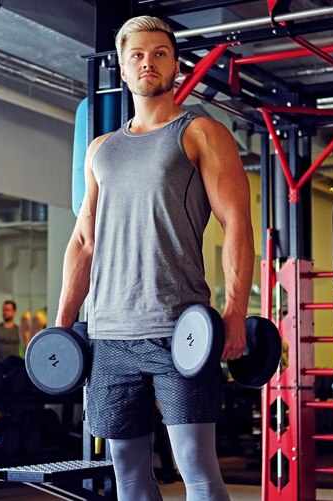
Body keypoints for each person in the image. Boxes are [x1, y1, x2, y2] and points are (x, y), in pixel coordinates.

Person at [55, 15, 254, 501]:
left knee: (195, 465)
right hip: (109, 335)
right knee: (125, 467)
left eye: (160, 53)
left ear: (175, 66)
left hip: (179, 327)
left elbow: (237, 224)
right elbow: (83, 240)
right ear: (123, 68)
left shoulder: (201, 132)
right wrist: (63, 325)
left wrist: (234, 311)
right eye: (137, 55)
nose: (148, 62)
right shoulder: (102, 149)